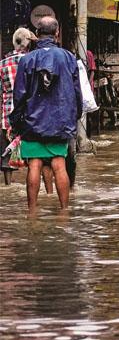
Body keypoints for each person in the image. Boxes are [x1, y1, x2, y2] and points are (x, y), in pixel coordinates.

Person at [9, 17, 82, 212]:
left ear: (37, 34)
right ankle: (64, 211)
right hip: (60, 122)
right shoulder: (69, 57)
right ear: (57, 33)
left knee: (34, 164)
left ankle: (32, 213)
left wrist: (16, 124)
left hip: (33, 122)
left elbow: (19, 97)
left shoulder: (27, 60)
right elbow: (77, 94)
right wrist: (74, 118)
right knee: (59, 164)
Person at [1, 28, 36, 185]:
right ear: (29, 43)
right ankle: (33, 186)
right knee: (34, 155)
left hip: (7, 115)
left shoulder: (2, 64)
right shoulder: (33, 61)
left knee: (6, 154)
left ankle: (8, 185)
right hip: (31, 115)